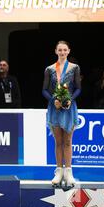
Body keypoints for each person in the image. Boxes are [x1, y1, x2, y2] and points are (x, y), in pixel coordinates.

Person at [42, 40, 81, 188]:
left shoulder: (75, 68)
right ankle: (58, 171)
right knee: (58, 142)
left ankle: (69, 172)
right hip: (54, 107)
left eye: (65, 50)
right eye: (60, 50)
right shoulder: (49, 69)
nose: (62, 52)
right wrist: (54, 100)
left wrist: (69, 99)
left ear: (69, 51)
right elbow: (44, 90)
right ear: (56, 51)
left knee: (68, 141)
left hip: (69, 107)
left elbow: (78, 88)